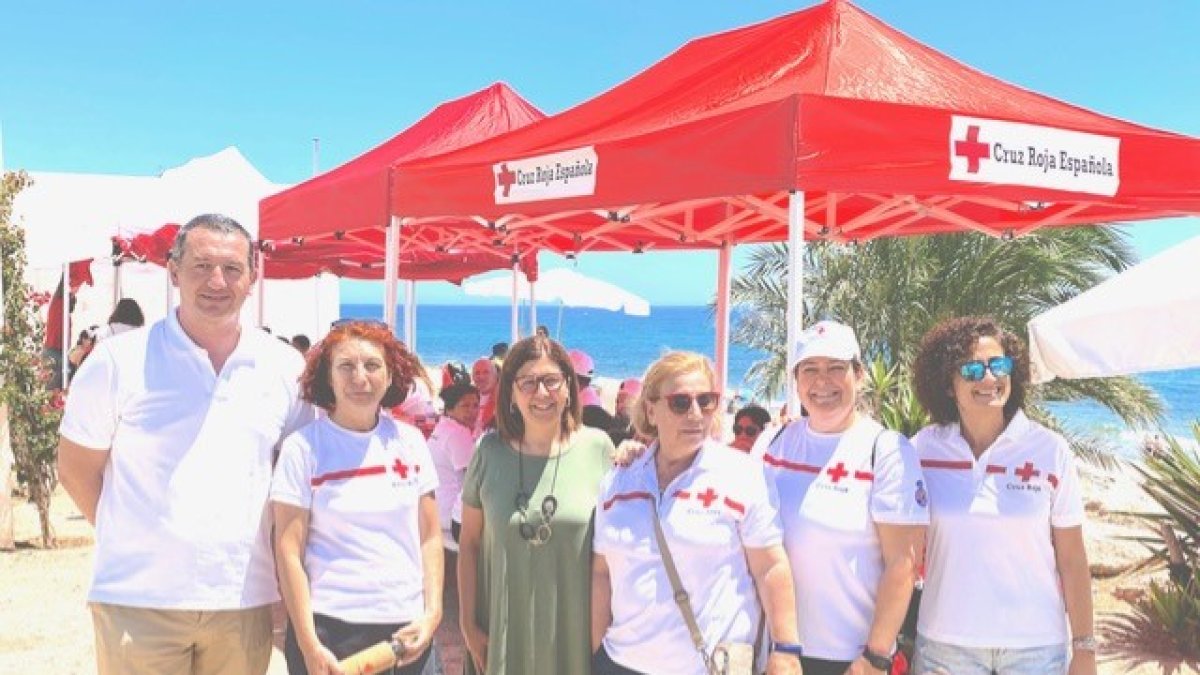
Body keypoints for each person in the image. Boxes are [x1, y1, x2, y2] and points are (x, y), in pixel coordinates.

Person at [56, 213, 314, 675]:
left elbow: (293, 484)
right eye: (201, 266)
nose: (217, 281)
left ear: (252, 277)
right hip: (138, 598)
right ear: (173, 272)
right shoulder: (118, 361)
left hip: (243, 597)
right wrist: (135, 530)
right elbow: (76, 469)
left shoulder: (285, 367)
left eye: (232, 268)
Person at [591, 351, 802, 675]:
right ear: (650, 408)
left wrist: (786, 650)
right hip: (620, 664)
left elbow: (770, 567)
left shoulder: (743, 475)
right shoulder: (619, 480)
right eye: (680, 403)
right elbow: (602, 572)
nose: (695, 414)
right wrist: (593, 651)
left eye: (706, 401)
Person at [910, 316, 1095, 675]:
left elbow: (1072, 559)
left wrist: (1085, 649)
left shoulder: (1049, 450)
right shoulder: (924, 449)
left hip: (1035, 650)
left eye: (998, 365)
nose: (989, 378)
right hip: (945, 647)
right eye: (972, 369)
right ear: (948, 384)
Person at [271, 320, 441, 675]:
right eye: (345, 366)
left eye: (372, 365)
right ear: (327, 377)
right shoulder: (303, 448)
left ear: (392, 375)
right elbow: (288, 552)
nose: (359, 378)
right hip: (331, 632)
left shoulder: (410, 441)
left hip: (409, 629)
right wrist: (307, 643)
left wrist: (433, 614)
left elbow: (429, 536)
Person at [757, 320, 928, 675]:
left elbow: (903, 565)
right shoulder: (773, 443)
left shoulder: (886, 450)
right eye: (810, 370)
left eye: (836, 368)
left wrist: (876, 657)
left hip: (851, 660)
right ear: (796, 379)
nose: (823, 382)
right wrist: (640, 453)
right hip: (776, 654)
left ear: (859, 374)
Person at [457, 335, 613, 675]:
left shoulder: (599, 449)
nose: (541, 393)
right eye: (527, 382)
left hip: (575, 636)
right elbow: (468, 543)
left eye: (551, 381)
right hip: (500, 631)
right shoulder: (489, 451)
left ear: (570, 387)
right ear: (510, 392)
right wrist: (467, 625)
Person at [428, 381, 481, 545]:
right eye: (465, 406)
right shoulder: (458, 433)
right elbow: (472, 480)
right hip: (453, 516)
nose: (473, 411)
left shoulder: (443, 427)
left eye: (476, 405)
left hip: (437, 509)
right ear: (450, 409)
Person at [471, 356, 499, 436]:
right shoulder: (467, 400)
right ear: (472, 377)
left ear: (495, 375)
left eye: (486, 372)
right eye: (477, 373)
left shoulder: (503, 400)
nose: (481, 377)